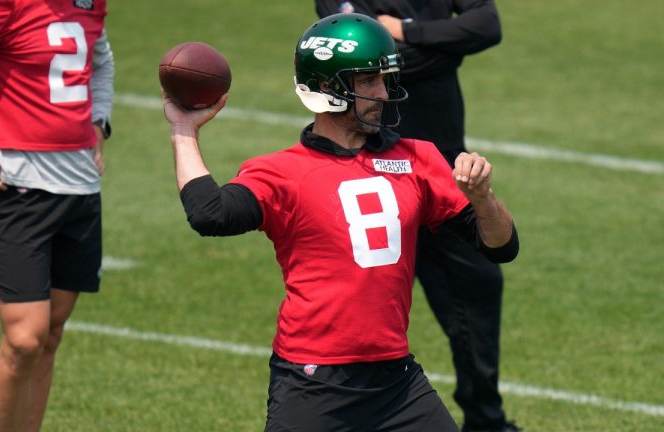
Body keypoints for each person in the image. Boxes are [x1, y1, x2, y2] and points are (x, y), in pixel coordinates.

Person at [164, 13, 518, 432]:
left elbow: (500, 246)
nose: (383, 93)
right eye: (368, 81)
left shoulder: (417, 158)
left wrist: (482, 197)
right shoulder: (282, 171)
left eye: (385, 79)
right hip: (314, 381)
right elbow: (210, 214)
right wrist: (184, 131)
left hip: (396, 382)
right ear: (327, 88)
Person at [314, 2, 517, 431]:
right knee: (354, 304)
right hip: (369, 179)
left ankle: (486, 420)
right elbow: (356, 67)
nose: (383, 85)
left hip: (440, 174)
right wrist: (450, 43)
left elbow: (486, 25)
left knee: (479, 284)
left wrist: (408, 31)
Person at [0, 0, 114, 430]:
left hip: (80, 189)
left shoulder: (87, 3)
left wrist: (98, 122)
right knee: (24, 339)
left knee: (49, 336)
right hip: (17, 189)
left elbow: (102, 62)